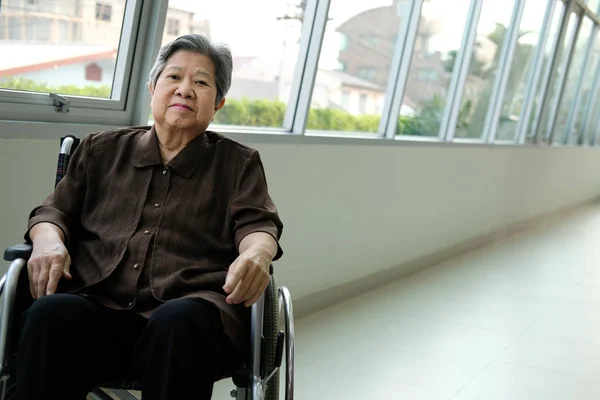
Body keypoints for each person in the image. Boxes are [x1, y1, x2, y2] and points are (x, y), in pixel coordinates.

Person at [15, 34, 284, 400]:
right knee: (50, 315)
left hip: (188, 320)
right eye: (174, 77)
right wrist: (47, 242)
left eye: (201, 82)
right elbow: (53, 211)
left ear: (218, 103)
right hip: (96, 305)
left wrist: (258, 254)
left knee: (180, 322)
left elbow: (258, 225)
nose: (185, 90)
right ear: (152, 87)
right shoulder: (100, 150)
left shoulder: (238, 164)